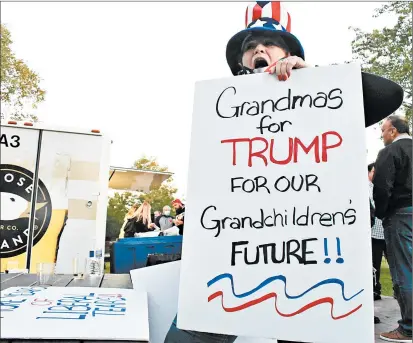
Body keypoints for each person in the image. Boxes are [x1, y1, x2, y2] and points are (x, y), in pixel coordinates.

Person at [164, 2, 404, 342]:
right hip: (235, 254)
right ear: (241, 64)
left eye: (268, 42)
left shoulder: (322, 99)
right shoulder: (223, 108)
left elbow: (390, 94)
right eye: (249, 46)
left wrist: (315, 77)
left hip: (307, 259)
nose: (258, 49)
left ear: (290, 52)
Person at [373, 115, 412, 342]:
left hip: (401, 214)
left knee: (404, 270)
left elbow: (382, 187)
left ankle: (408, 326)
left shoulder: (389, 152)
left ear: (394, 131)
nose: (381, 134)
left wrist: (381, 213)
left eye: (384, 130)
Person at [368, 162, 387, 301]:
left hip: (386, 231)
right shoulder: (365, 189)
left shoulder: (382, 187)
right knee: (375, 264)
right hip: (374, 232)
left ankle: (398, 291)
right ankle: (375, 289)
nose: (376, 174)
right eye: (373, 171)